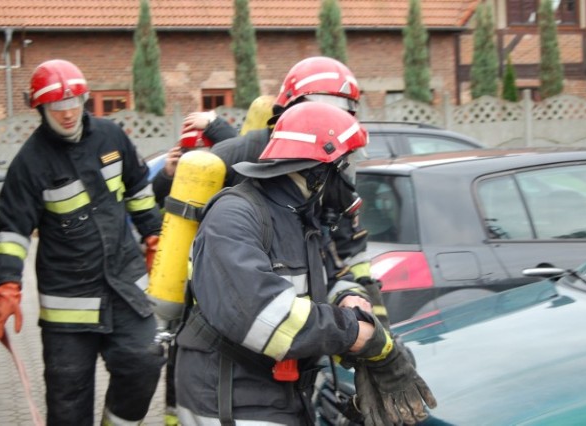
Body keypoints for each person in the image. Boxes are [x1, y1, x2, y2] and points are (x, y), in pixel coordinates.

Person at [173, 102, 436, 425]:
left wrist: (349, 300)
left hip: (280, 392)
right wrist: (361, 336)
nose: (352, 178)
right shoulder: (234, 217)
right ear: (318, 170)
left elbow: (327, 279)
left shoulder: (302, 217)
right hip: (229, 398)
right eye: (347, 165)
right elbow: (263, 317)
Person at [0, 59, 165, 426]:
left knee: (144, 360)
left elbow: (138, 190)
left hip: (125, 290)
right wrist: (7, 286)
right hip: (68, 303)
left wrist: (153, 234)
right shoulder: (29, 163)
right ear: (41, 108)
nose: (67, 114)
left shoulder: (111, 137)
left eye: (73, 104)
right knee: (68, 402)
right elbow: (12, 233)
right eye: (56, 107)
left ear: (83, 101)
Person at [210, 56, 388, 326]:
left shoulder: (331, 167)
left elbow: (345, 252)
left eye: (342, 111)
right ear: (287, 109)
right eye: (319, 107)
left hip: (305, 316)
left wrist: (372, 324)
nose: (328, 120)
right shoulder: (242, 156)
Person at [152, 110, 237, 208]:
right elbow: (158, 203)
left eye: (207, 152)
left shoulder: (230, 169)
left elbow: (234, 145)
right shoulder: (179, 170)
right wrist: (167, 176)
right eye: (194, 152)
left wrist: (214, 125)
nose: (200, 161)